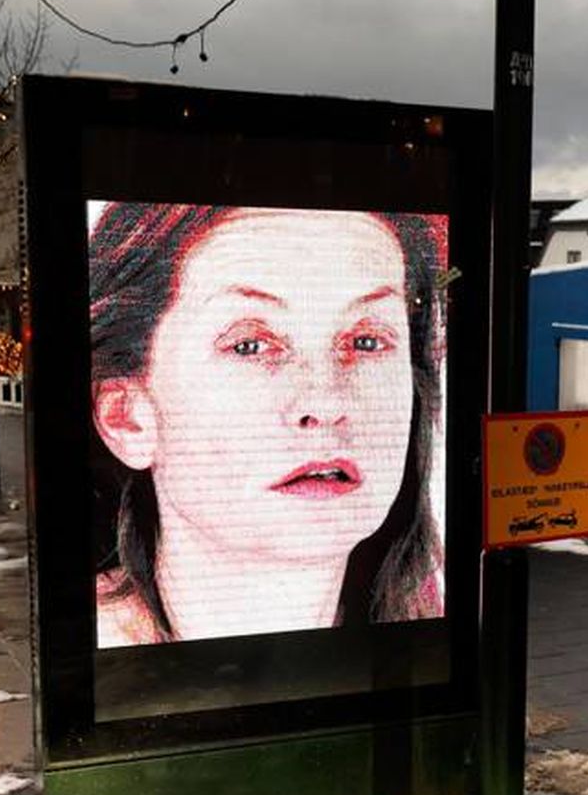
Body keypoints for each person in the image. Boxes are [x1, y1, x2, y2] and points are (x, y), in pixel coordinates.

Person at [88, 203, 446, 648]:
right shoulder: (97, 660)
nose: (326, 401)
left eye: (367, 341)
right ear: (127, 417)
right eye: (251, 344)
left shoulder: (434, 640)